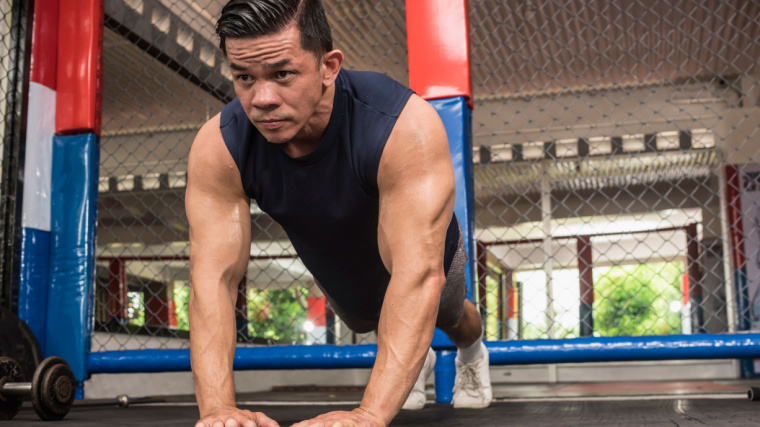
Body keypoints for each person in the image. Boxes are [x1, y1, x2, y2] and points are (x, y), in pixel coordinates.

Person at [185, 1, 492, 426]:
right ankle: (410, 356)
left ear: (328, 66)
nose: (263, 100)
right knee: (368, 318)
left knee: (452, 315)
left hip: (422, 257)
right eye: (244, 78)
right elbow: (213, 280)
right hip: (342, 270)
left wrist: (368, 415)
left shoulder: (402, 125)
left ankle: (472, 354)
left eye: (282, 74)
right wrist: (218, 410)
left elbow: (417, 275)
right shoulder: (219, 147)